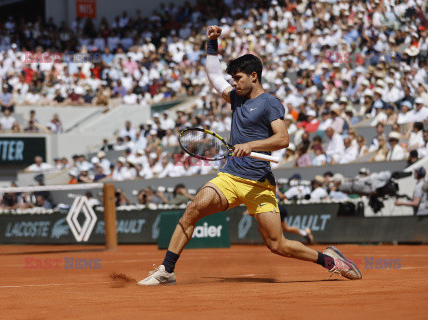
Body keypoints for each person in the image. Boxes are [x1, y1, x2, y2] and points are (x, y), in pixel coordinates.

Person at [137, 25, 361, 286]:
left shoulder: (270, 103)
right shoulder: (236, 98)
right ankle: (167, 270)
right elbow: (213, 76)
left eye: (239, 78)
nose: (234, 83)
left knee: (277, 245)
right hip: (230, 177)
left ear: (254, 76)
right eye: (233, 79)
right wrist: (212, 43)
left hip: (259, 184)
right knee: (193, 208)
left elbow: (283, 139)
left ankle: (331, 261)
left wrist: (252, 145)